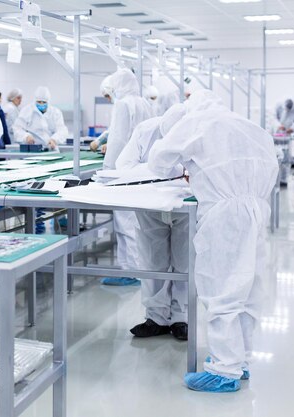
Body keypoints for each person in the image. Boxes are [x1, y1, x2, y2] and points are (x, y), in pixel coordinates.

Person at [148, 89, 279, 392]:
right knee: (247, 287)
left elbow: (157, 160)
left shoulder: (195, 121)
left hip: (225, 213)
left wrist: (185, 168)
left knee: (221, 287)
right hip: (257, 207)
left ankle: (224, 369)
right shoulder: (245, 124)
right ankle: (240, 360)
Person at [116, 104, 190, 341]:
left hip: (185, 206)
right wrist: (168, 171)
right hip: (150, 204)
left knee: (185, 261)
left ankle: (182, 317)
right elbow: (124, 166)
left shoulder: (197, 131)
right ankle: (156, 318)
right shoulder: (146, 130)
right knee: (152, 260)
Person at [101, 68, 155, 286]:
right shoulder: (143, 102)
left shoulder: (123, 104)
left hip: (122, 172)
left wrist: (107, 170)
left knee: (125, 222)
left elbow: (118, 139)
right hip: (141, 168)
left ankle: (130, 271)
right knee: (137, 222)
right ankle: (139, 267)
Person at [12, 86, 68, 151]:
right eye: (39, 102)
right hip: (32, 149)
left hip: (51, 149)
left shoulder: (55, 112)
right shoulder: (27, 111)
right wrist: (26, 136)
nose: (41, 104)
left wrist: (54, 139)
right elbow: (17, 128)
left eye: (44, 102)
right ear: (35, 100)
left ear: (48, 102)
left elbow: (62, 130)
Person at [90, 75, 113, 152]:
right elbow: (113, 129)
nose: (108, 100)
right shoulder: (118, 107)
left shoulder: (125, 105)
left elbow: (123, 133)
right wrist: (98, 142)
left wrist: (110, 144)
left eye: (107, 96)